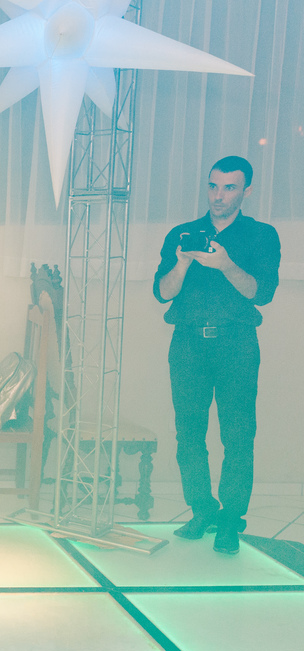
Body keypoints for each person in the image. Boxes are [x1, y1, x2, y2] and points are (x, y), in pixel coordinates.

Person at [154, 156, 281, 555]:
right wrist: (181, 264)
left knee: (238, 436)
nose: (218, 195)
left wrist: (226, 265)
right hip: (188, 343)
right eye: (213, 186)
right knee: (188, 434)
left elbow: (261, 293)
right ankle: (202, 509)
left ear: (246, 190)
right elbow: (163, 292)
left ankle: (230, 520)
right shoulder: (184, 233)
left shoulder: (262, 235)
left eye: (228, 187)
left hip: (236, 344)